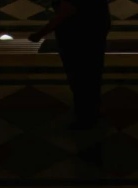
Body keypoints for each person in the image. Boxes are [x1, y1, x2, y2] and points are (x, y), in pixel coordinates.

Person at [46, 0, 111, 129]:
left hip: (76, 35)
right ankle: (93, 109)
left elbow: (66, 11)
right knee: (92, 73)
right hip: (94, 31)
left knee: (79, 76)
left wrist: (40, 33)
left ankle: (85, 116)